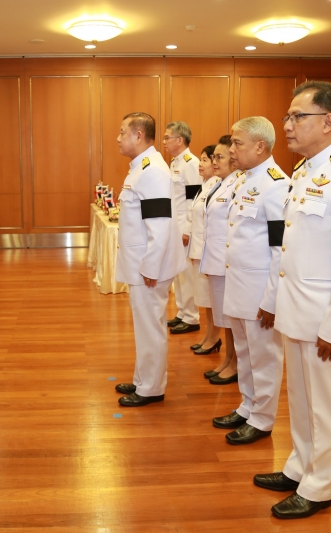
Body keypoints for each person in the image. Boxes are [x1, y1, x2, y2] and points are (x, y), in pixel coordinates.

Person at [253, 81, 331, 519]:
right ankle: (298, 467)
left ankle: (320, 487)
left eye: (296, 117)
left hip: (329, 321)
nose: (286, 126)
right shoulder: (306, 172)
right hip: (297, 311)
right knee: (302, 403)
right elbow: (288, 249)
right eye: (288, 117)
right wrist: (273, 300)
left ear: (328, 122)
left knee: (328, 408)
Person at [211, 117, 289, 445]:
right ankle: (247, 405)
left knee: (264, 356)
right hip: (239, 283)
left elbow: (280, 249)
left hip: (259, 289)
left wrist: (271, 300)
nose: (232, 149)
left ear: (260, 146)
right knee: (244, 352)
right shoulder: (244, 179)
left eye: (237, 143)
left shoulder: (276, 184)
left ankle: (263, 418)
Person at [114, 112, 186, 407]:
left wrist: (150, 267)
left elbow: (160, 224)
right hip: (143, 263)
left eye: (122, 133)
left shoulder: (153, 170)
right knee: (145, 326)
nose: (118, 139)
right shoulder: (141, 168)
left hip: (148, 265)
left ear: (138, 135)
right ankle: (144, 378)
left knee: (151, 326)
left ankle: (151, 388)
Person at [198, 136, 239, 383]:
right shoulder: (217, 184)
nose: (215, 161)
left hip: (226, 263)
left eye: (220, 157)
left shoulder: (236, 184)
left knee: (232, 321)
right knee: (225, 319)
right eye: (214, 157)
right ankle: (227, 359)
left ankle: (234, 363)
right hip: (214, 261)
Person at [163, 122, 202, 335]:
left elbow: (193, 200)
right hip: (175, 227)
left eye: (167, 137)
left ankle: (192, 317)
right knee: (178, 273)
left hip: (184, 229)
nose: (164, 142)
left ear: (180, 140)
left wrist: (187, 229)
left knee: (186, 274)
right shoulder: (175, 163)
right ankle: (182, 312)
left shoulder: (190, 163)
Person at [186, 144, 222, 355]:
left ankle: (214, 337)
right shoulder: (205, 185)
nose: (201, 164)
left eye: (205, 160)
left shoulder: (217, 185)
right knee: (206, 301)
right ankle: (209, 335)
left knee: (212, 301)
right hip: (199, 251)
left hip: (208, 252)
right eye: (201, 159)